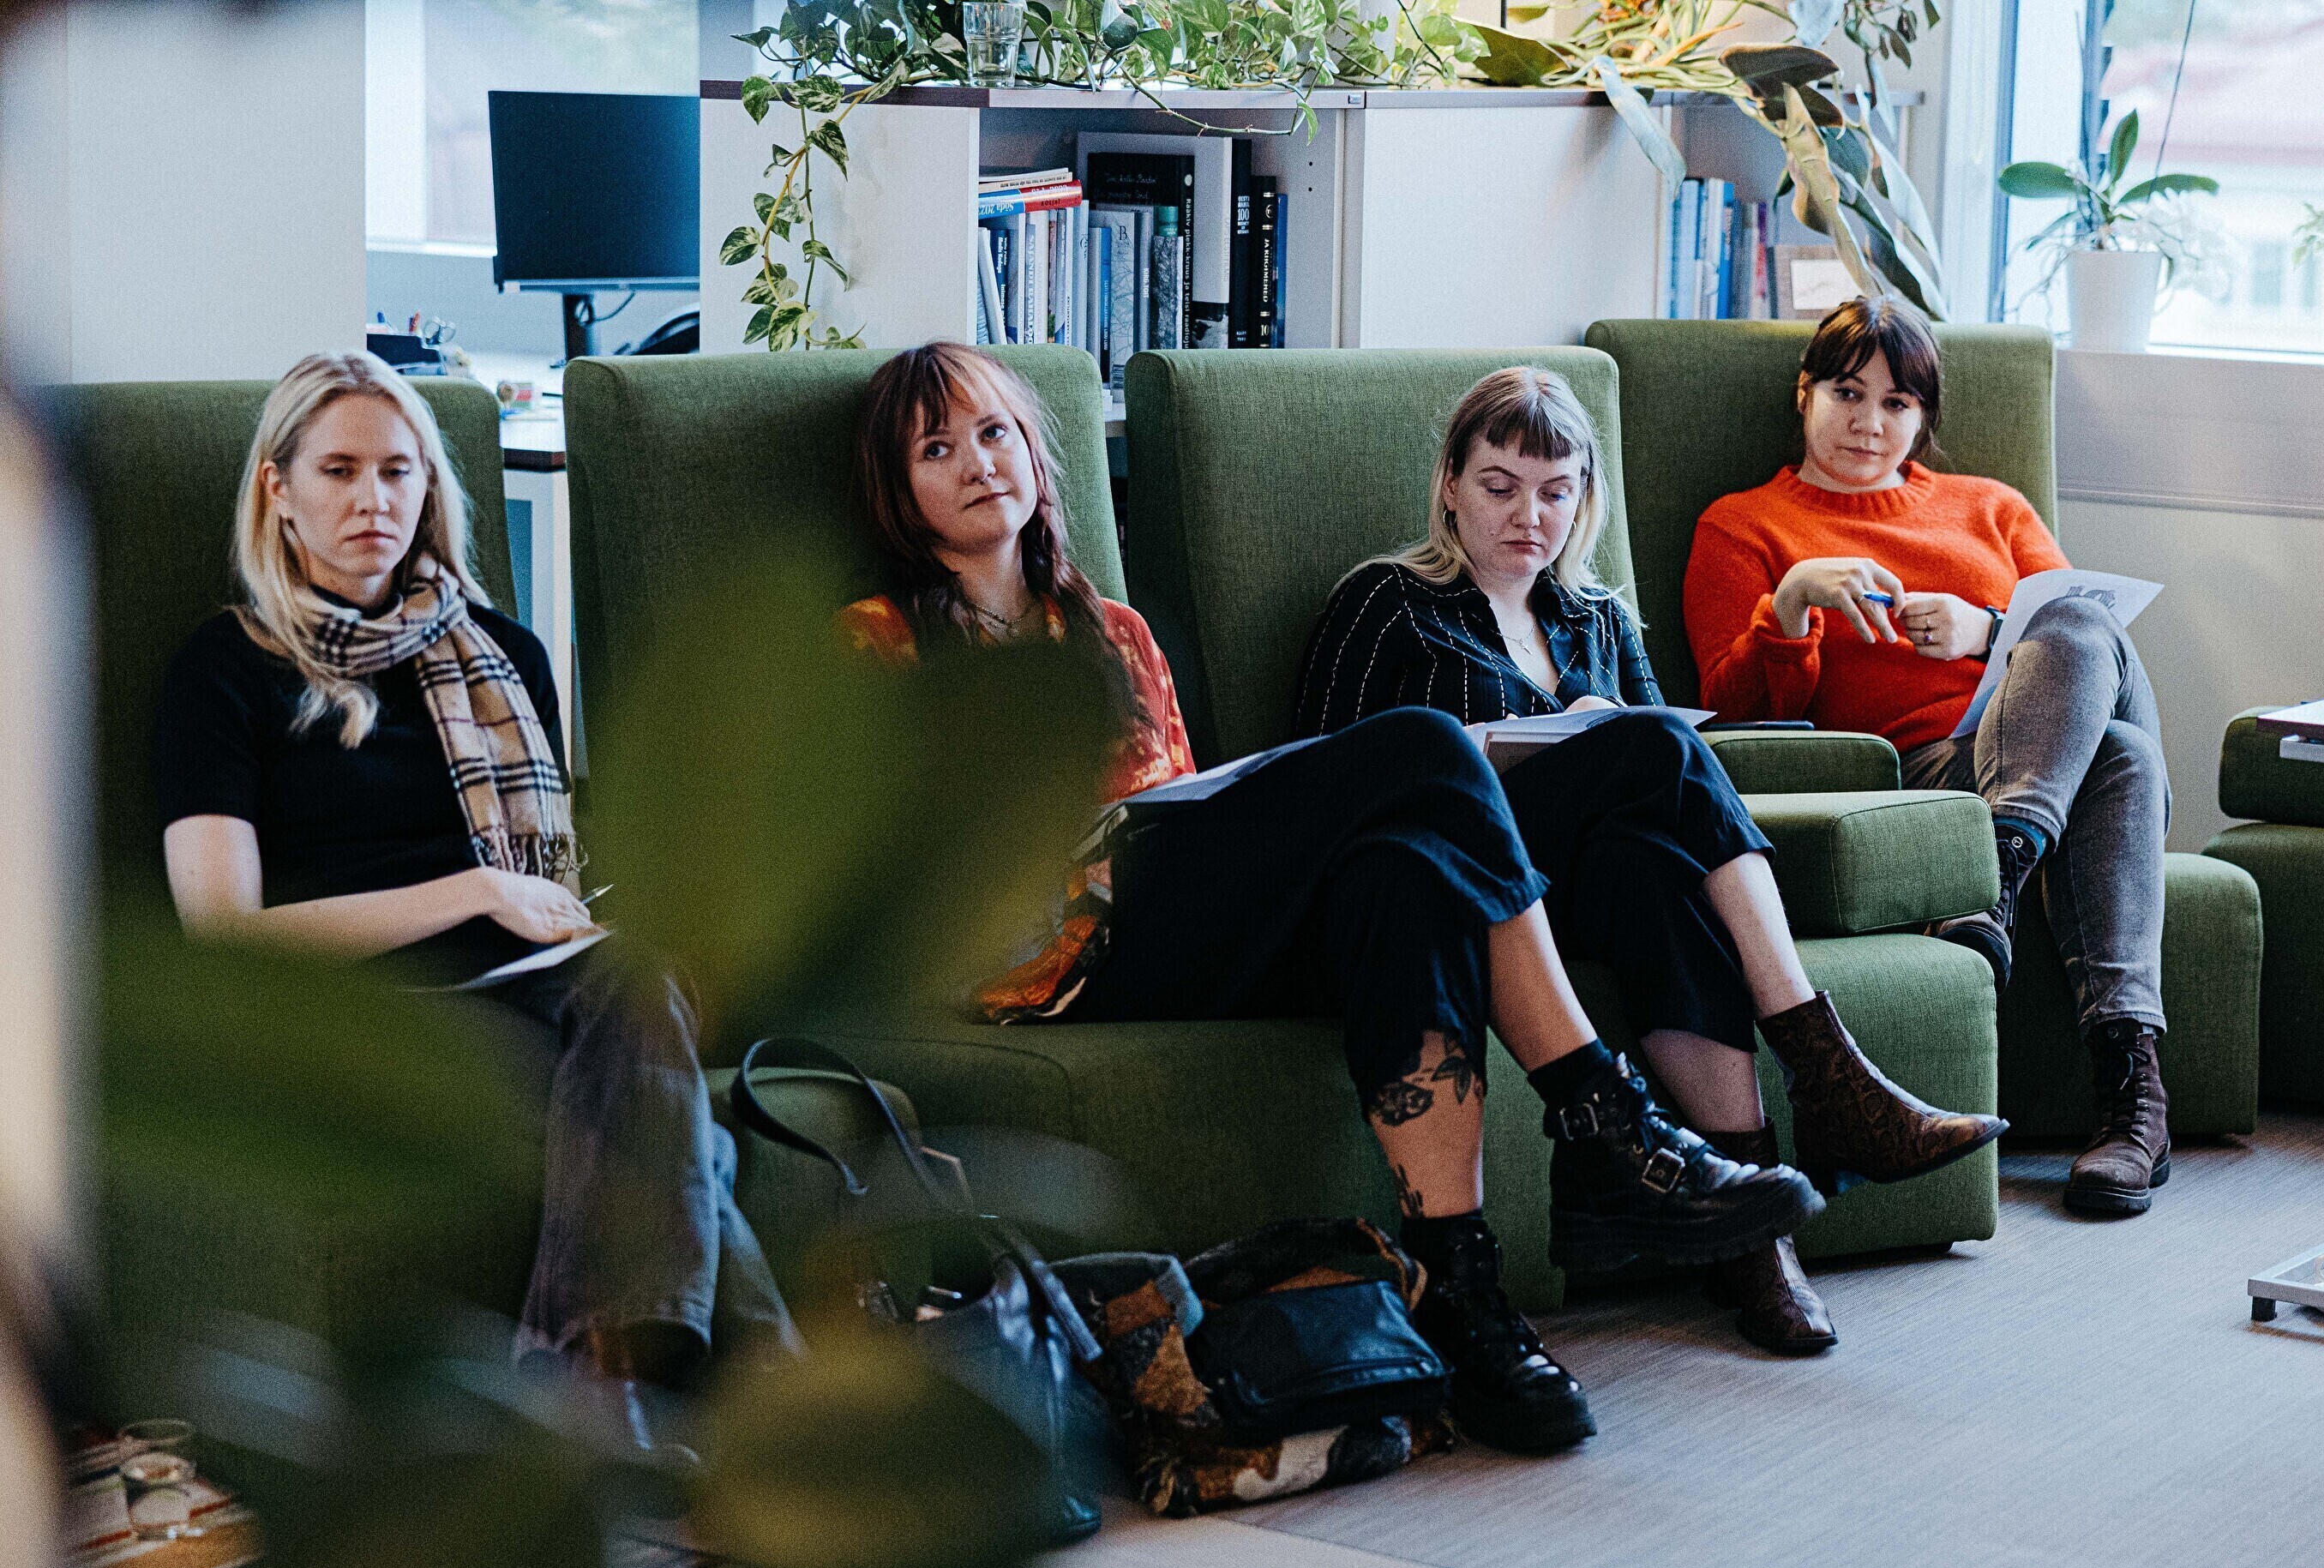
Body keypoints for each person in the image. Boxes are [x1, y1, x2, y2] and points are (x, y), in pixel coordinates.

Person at [841, 343, 1821, 1451]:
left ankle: (1460, 1293)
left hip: (1172, 923)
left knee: (1405, 874)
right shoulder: (877, 644)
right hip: (1042, 961)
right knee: (1425, 745)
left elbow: (1176, 808)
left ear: (1032, 452)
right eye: (938, 449)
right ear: (899, 489)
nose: (979, 463)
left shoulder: (1117, 633)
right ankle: (1603, 1119)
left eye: (995, 433)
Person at [1296, 366, 2007, 1355]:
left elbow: (1665, 786)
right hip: (1456, 887)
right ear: (1450, 483)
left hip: (1586, 888)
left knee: (1654, 872)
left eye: (1556, 492)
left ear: (1584, 498)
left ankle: (1751, 1228)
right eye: (1500, 486)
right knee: (1654, 746)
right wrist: (1492, 752)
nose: (1529, 516)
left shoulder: (1598, 617)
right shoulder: (1386, 604)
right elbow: (1320, 787)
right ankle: (1824, 1068)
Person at [152, 351, 797, 1431]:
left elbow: (556, 892)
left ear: (428, 487)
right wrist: (471, 889)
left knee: (640, 1000)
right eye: (340, 470)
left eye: (397, 470)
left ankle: (600, 1401)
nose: (373, 498)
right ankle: (761, 1405)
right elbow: (223, 933)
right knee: (669, 1111)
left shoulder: (504, 655)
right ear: (279, 488)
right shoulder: (224, 670)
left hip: (532, 991)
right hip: (356, 1009)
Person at [1680, 297, 2171, 1219]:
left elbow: (2086, 639)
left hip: (2026, 751)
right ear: (1804, 393)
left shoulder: (1992, 506)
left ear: (1923, 418)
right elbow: (1733, 721)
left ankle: (1996, 879)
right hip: (1920, 777)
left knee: (2076, 623)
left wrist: (1987, 630)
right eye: (1847, 392)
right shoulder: (1743, 526)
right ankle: (2134, 1101)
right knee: (2126, 759)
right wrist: (1791, 605)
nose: (1869, 422)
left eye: (1897, 403)